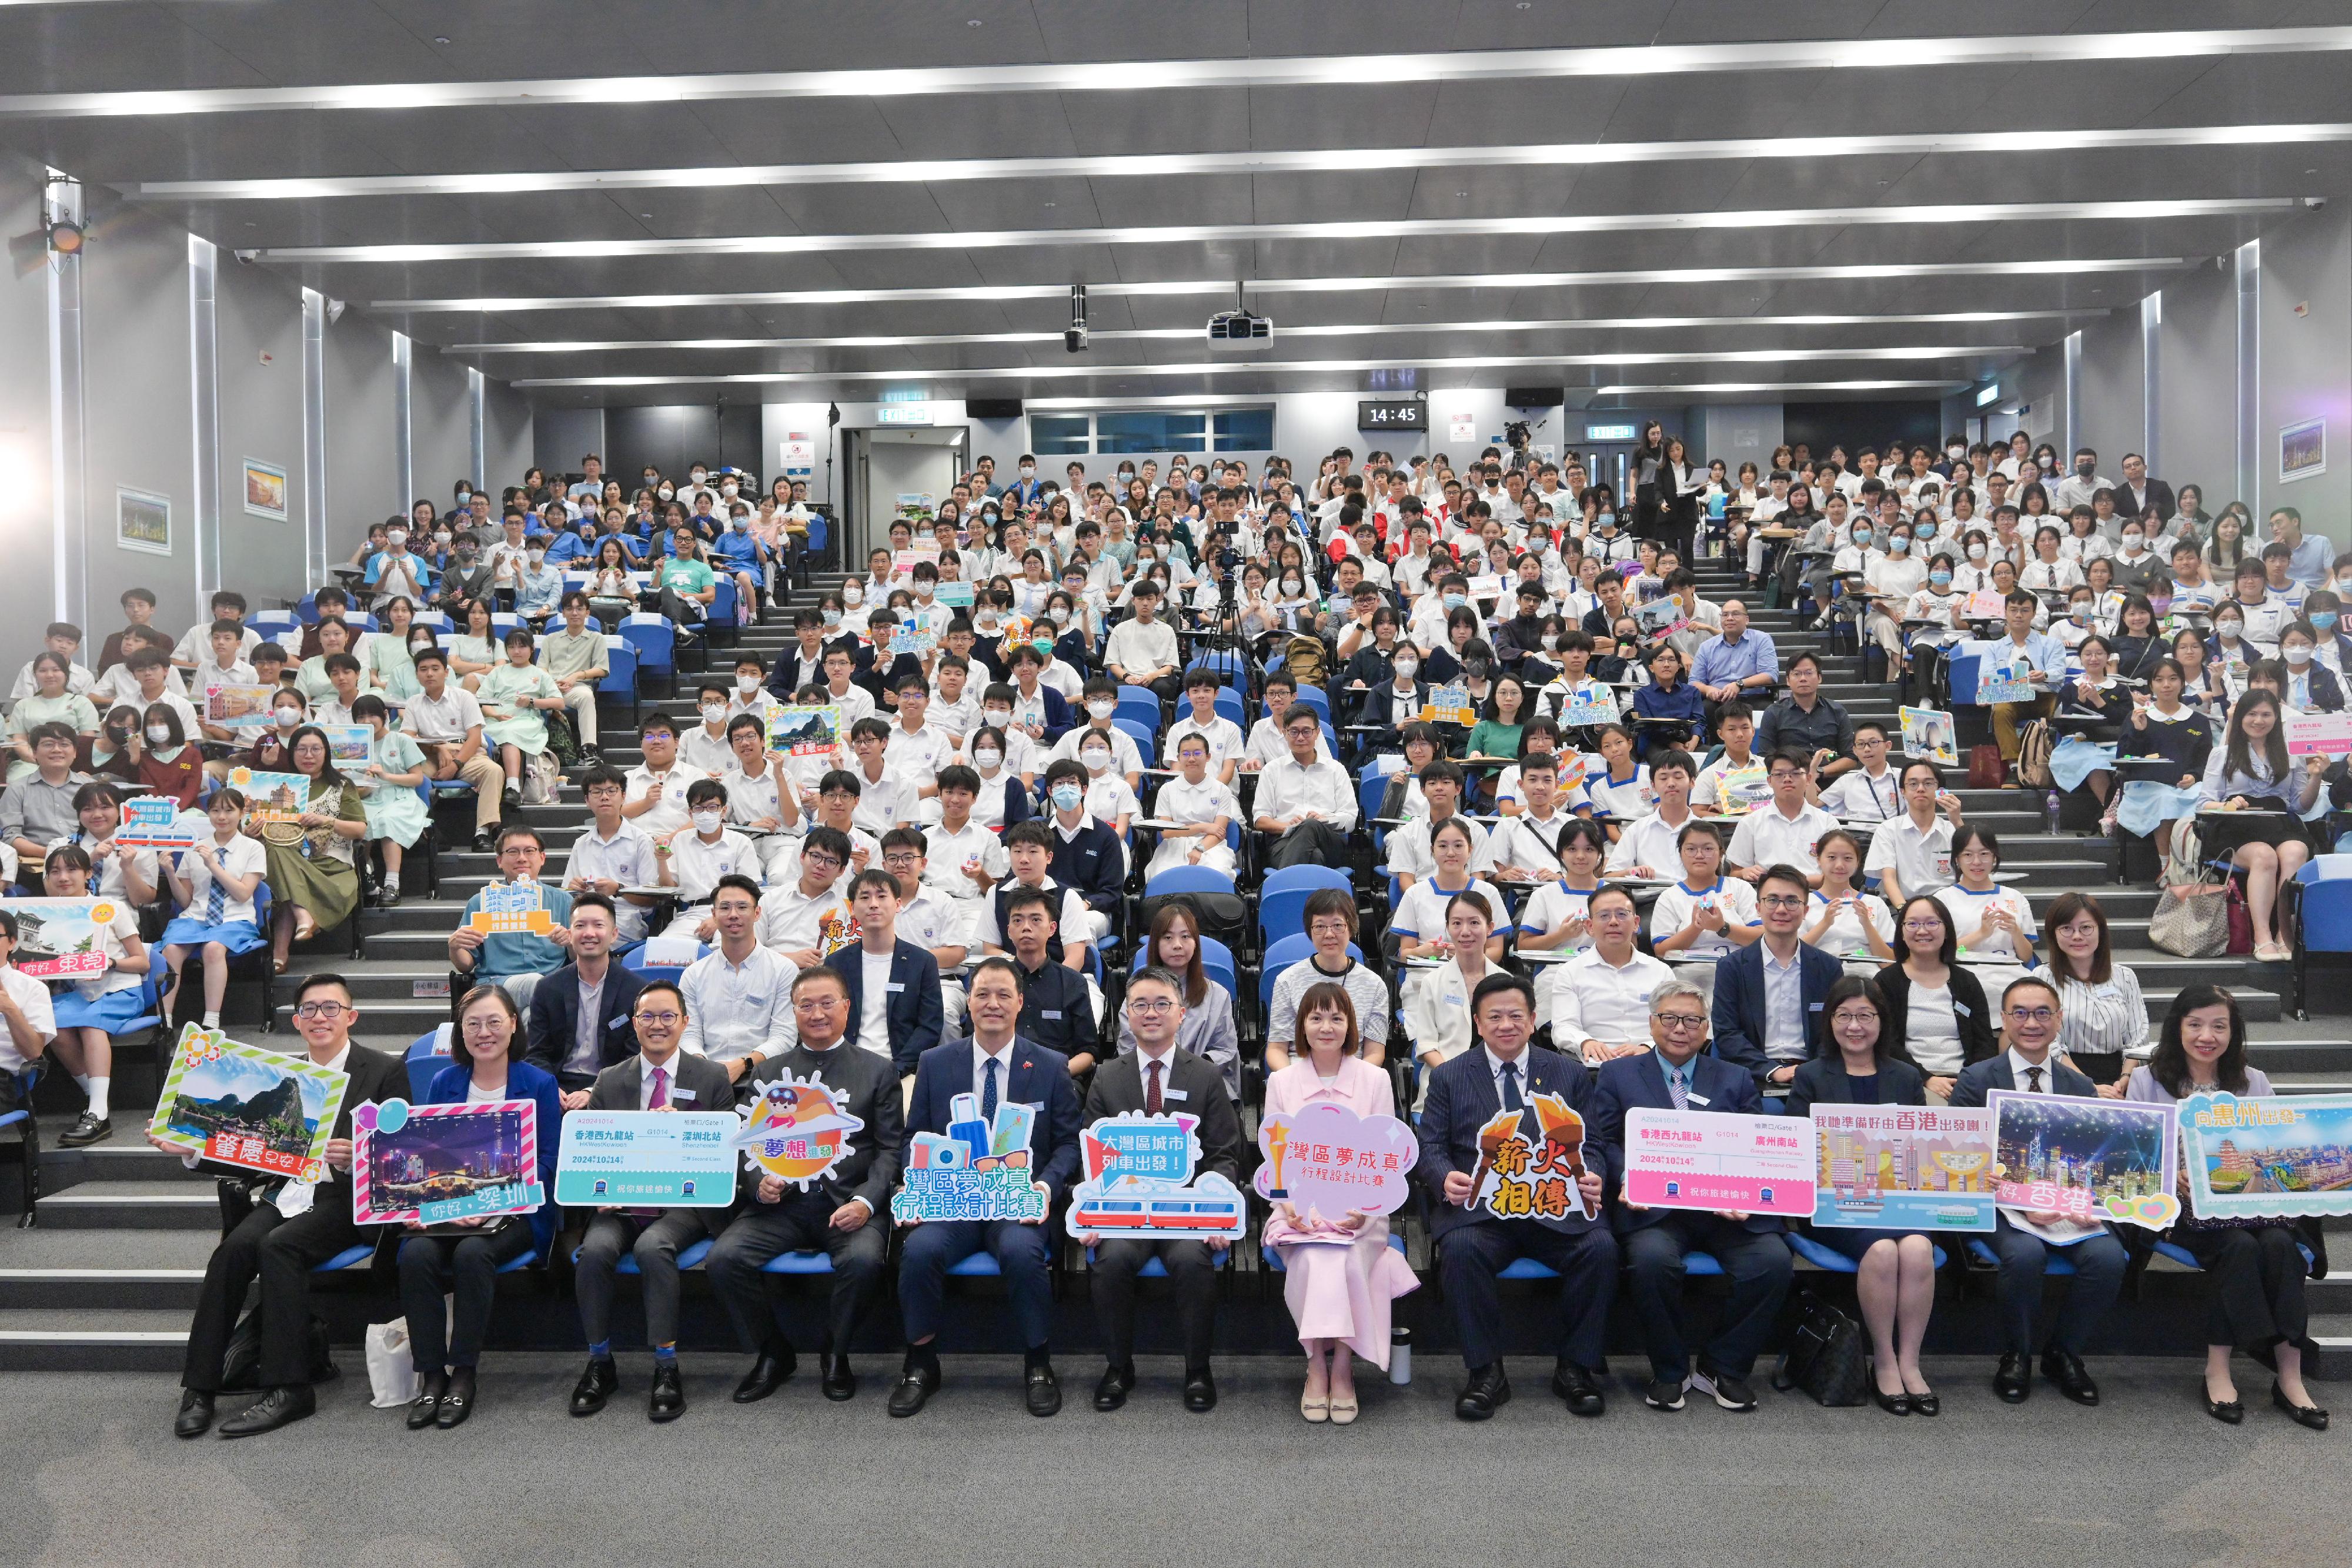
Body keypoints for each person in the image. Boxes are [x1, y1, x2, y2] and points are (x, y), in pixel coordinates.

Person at [166, 974, 405, 1438]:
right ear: (296, 1021)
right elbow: (248, 1146)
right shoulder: (281, 1076)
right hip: (289, 1193)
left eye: (331, 1008)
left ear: (351, 1016)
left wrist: (357, 1155)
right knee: (232, 1252)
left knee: (279, 1247)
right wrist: (191, 1149)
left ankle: (290, 1388)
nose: (320, 1017)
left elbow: (403, 1153)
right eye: (310, 1009)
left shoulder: (383, 1070)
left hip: (347, 1198)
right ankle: (200, 1386)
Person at [2125, 984, 2328, 1430]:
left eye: (2220, 1026)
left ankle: (2290, 1377)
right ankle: (2218, 1370)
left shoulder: (2253, 1080)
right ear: (2177, 1026)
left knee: (2279, 1245)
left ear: (2233, 1032)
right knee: (2238, 1247)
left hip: (2252, 1206)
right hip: (2181, 1209)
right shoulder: (2146, 1080)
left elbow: (2274, 1145)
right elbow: (2136, 1156)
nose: (2207, 1035)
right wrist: (2170, 1177)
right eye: (2195, 1024)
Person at [1589, 977, 1795, 1412]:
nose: (1680, 1028)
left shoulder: (1737, 1078)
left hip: (1726, 1210)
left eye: (1692, 1020)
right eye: (1670, 1018)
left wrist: (1746, 1190)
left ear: (1706, 1029)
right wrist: (1629, 1174)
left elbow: (1754, 1144)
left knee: (1773, 1262)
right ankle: (1669, 1370)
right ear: (1652, 1023)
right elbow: (1602, 1140)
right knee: (1650, 1261)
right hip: (1655, 1208)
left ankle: (1724, 1366)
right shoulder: (1618, 1074)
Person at [1418, 972, 1616, 1420]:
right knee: (1461, 1251)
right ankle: (1486, 1372)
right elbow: (1430, 1146)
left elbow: (1595, 1144)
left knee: (1600, 1249)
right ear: (1478, 1022)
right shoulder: (1449, 1075)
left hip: (1556, 1205)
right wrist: (1444, 1175)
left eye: (1515, 1015)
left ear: (1532, 1020)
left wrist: (1595, 1175)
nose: (1505, 1024)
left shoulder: (1568, 1072)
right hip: (1483, 1212)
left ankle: (1575, 1368)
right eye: (1494, 1016)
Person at [891, 957, 1083, 1418]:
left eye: (1003, 995)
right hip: (953, 1203)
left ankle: (1038, 1363)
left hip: (1016, 1202)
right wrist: (917, 1187)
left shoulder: (1052, 1064)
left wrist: (1045, 1186)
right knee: (918, 1250)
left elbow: (1069, 1144)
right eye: (982, 994)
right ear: (968, 1003)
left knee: (1021, 1251)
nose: (992, 1003)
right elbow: (912, 1138)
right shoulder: (936, 1063)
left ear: (1020, 1002)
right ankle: (921, 1362)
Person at [706, 965, 904, 1406]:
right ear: (792, 1011)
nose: (817, 1013)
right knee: (723, 1259)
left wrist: (866, 1202)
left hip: (847, 1204)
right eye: (806, 1005)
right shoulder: (768, 1073)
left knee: (866, 1260)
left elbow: (891, 1151)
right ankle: (774, 1352)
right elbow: (741, 1145)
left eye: (827, 1003)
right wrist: (759, 1182)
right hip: (781, 1208)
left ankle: (836, 1352)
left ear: (847, 1008)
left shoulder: (877, 1070)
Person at [1950, 975, 2130, 1406]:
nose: (2032, 1022)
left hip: (2068, 1207)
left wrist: (2089, 1202)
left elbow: (2095, 1163)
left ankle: (2063, 1351)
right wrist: (2017, 1199)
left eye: (2043, 1012)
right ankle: (2018, 1353)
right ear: (2004, 1020)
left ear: (2059, 1020)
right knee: (2025, 1254)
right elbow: (1959, 1156)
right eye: (2021, 1013)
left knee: (2107, 1258)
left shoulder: (2081, 1086)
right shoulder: (1976, 1079)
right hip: (2001, 1207)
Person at [569, 980, 738, 1423]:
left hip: (684, 1205)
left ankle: (666, 1367)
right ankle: (600, 1362)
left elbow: (727, 1155)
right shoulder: (610, 1078)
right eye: (647, 1016)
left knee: (652, 1248)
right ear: (635, 1023)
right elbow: (591, 1155)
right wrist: (598, 1192)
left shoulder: (712, 1077)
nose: (657, 1025)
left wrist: (682, 1132)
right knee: (595, 1251)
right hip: (622, 1204)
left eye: (668, 1016)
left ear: (685, 1022)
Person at [395, 985, 563, 1430]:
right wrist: (443, 1205)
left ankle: (464, 1373)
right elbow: (427, 1152)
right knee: (415, 1254)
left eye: (494, 1021)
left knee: (473, 1253)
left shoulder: (540, 1083)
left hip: (517, 1212)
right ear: (460, 1031)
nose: (483, 1032)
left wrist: (489, 1201)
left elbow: (548, 1163)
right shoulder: (444, 1082)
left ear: (513, 1023)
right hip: (448, 1209)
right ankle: (432, 1374)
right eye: (472, 1023)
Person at [1081, 966, 1244, 1413]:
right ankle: (1118, 1367)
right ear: (1126, 1016)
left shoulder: (1206, 1074)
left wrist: (1217, 1213)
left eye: (1161, 1004)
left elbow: (1223, 1153)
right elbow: (1091, 1156)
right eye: (1140, 1005)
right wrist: (1090, 1217)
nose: (1150, 1013)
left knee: (1194, 1262)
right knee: (1109, 1259)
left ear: (1181, 1013)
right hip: (1125, 1210)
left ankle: (1197, 1369)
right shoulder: (1107, 1076)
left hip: (1186, 1210)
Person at [1261, 982, 1419, 1423]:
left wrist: (1366, 1209)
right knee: (1313, 1257)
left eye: (1336, 1017)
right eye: (1316, 1018)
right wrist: (1289, 1206)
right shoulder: (1282, 1081)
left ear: (1350, 1024)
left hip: (1362, 1211)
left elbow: (1386, 1159)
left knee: (1348, 1257)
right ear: (1302, 1027)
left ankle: (1343, 1366)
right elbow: (1274, 1160)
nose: (1326, 1026)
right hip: (1298, 1211)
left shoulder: (1376, 1079)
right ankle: (1316, 1364)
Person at [1786, 976, 1942, 1415]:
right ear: (1830, 1021)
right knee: (1881, 1251)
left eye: (1865, 1016)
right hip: (1835, 1204)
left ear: (1881, 1020)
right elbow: (1798, 1149)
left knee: (1915, 1247)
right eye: (1845, 1015)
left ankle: (1911, 1361)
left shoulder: (1907, 1076)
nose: (1855, 1026)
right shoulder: (1811, 1076)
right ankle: (1885, 1361)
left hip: (1897, 1199)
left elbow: (1922, 1147)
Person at [35, 844, 148, 1146]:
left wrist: (110, 963)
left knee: (91, 1025)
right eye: (55, 871)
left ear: (88, 873)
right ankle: (95, 1100)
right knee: (52, 1026)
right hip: (80, 994)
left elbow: (143, 962)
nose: (63, 877)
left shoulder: (111, 908)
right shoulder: (45, 914)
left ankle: (97, 1114)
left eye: (72, 869)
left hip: (119, 989)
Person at [2199, 689, 2324, 959]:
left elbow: (2301, 806)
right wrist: (2229, 805)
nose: (2259, 720)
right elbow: (2204, 803)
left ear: (2277, 719)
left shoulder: (2292, 755)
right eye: (2252, 714)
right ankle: (2262, 935)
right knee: (2264, 856)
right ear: (2241, 717)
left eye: (2266, 714)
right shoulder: (2222, 754)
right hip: (2235, 827)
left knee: (2295, 852)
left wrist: (2316, 777)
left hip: (2278, 823)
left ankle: (2285, 934)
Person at [1710, 863, 1845, 1091]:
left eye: (1792, 901)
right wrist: (1773, 1071)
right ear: (1758, 908)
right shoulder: (1731, 967)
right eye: (1772, 900)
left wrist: (1810, 1071)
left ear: (1806, 911)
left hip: (1815, 1075)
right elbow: (1727, 1034)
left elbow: (1836, 1032)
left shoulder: (1829, 968)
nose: (1781, 909)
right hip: (1751, 1075)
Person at [255, 724, 369, 974]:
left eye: (316, 749)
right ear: (292, 753)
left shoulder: (341, 785)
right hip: (289, 858)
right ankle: (304, 915)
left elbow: (359, 830)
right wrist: (251, 830)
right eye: (302, 749)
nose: (309, 756)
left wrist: (326, 821)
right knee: (276, 852)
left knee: (281, 867)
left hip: (330, 865)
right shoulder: (279, 784)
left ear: (326, 752)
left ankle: (281, 951)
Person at [156, 788, 268, 1031]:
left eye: (229, 810)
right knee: (172, 949)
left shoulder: (253, 848)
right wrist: (170, 873)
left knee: (214, 948)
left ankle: (211, 1020)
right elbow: (186, 901)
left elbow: (243, 893)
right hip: (196, 917)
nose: (222, 817)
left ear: (242, 813)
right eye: (215, 810)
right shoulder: (194, 848)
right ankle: (164, 1020)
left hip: (235, 919)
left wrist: (213, 865)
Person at [678, 875, 800, 1085]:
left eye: (742, 907)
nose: (733, 915)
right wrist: (704, 1066)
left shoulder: (783, 970)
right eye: (725, 908)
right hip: (704, 1076)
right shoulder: (694, 974)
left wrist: (744, 1064)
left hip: (763, 1077)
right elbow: (688, 1033)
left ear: (757, 913)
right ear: (714, 915)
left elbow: (784, 1036)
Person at [522, 894, 641, 1105]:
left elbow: (634, 1058)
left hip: (610, 1086)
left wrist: (592, 1091)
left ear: (614, 935)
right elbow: (537, 1052)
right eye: (580, 926)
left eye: (598, 925)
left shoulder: (636, 990)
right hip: (558, 1083)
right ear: (570, 934)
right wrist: (550, 1087)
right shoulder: (548, 988)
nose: (589, 933)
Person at [826, 867, 946, 1075]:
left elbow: (930, 1026)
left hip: (901, 1070)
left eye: (882, 896)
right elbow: (827, 1021)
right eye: (865, 897)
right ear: (852, 908)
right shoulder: (837, 963)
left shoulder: (922, 962)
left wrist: (896, 1069)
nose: (874, 904)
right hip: (844, 1069)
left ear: (898, 904)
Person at [1114, 902, 1240, 1097]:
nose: (1178, 945)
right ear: (1156, 944)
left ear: (1196, 943)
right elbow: (1128, 1049)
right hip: (1150, 1083)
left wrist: (1190, 1075)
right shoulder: (1136, 996)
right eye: (1168, 937)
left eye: (1185, 936)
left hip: (1203, 1087)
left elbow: (1225, 1050)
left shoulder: (1217, 995)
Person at [447, 824, 576, 1010]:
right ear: (499, 860)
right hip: (497, 986)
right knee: (536, 984)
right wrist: (454, 947)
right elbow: (466, 965)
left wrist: (570, 941)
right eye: (513, 852)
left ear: (542, 858)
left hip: (552, 984)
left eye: (529, 851)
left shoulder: (563, 900)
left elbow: (577, 958)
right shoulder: (481, 902)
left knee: (530, 1016)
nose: (522, 858)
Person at [1264, 888, 1389, 1071]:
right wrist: (1292, 1082)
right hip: (1299, 1077)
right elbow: (1276, 1050)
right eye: (1320, 926)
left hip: (1353, 1078)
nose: (1329, 934)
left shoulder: (1374, 985)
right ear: (1310, 930)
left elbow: (1375, 1052)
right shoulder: (1287, 980)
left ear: (1351, 927)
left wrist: (1349, 1081)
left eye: (1338, 925)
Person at [1549, 884, 1674, 1064]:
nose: (1614, 922)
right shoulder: (1569, 973)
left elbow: (1672, 1022)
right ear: (1589, 926)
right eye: (1604, 916)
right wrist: (1586, 1042)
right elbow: (1563, 1026)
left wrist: (1647, 1047)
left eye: (1622, 914)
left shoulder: (1661, 972)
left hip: (1651, 1062)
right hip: (1596, 1066)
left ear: (1636, 924)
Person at [2043, 892, 2148, 1092]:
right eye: (2066, 928)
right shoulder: (2043, 977)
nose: (2077, 936)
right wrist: (2087, 1086)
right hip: (2063, 1076)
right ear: (2053, 934)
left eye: (2086, 927)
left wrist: (2125, 1078)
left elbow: (2139, 1037)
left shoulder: (2125, 976)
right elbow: (2048, 1042)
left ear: (2100, 930)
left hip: (2119, 1080)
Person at [405, 647, 507, 852]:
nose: (430, 674)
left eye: (435, 668)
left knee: (494, 771)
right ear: (417, 675)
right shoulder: (413, 703)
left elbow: (475, 737)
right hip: (430, 754)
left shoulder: (464, 697)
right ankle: (427, 829)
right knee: (409, 776)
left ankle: (482, 833)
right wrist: (438, 747)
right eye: (423, 669)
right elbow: (408, 738)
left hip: (466, 753)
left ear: (447, 672)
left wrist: (455, 764)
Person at [1935, 825, 2038, 1001]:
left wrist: (2015, 932)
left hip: (2011, 976)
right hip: (1963, 975)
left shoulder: (2015, 898)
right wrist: (1981, 935)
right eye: (1968, 855)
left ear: (1994, 857)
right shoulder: (1943, 899)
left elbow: (2027, 956)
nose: (1977, 862)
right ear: (1957, 860)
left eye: (1984, 854)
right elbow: (1942, 953)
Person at [1252, 702, 1358, 868]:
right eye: (1294, 732)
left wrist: (1325, 820)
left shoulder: (1336, 770)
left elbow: (1350, 819)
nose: (1300, 737)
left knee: (1311, 825)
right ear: (1284, 733)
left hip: (1328, 840)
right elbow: (1260, 819)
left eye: (1307, 731)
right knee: (1314, 857)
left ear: (1317, 733)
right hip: (1283, 840)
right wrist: (1288, 827)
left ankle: (1280, 886)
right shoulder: (1271, 770)